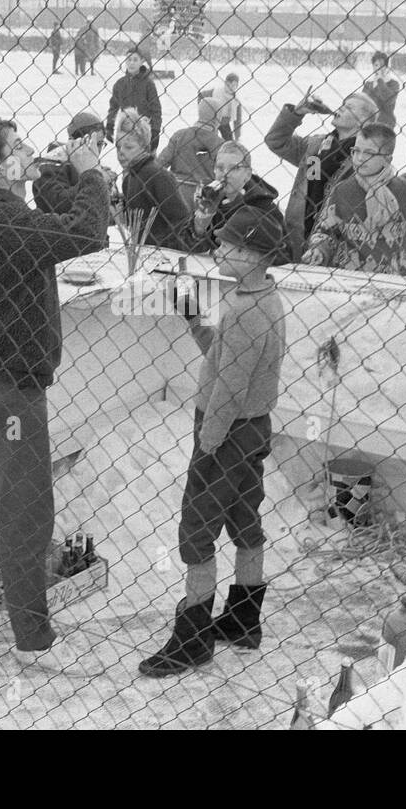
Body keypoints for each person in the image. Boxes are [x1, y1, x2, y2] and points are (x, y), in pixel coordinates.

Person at [0, 114, 111, 676]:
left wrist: (66, 172)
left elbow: (60, 220)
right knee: (27, 510)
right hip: (11, 388)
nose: (27, 150)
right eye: (16, 147)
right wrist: (92, 174)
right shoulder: (5, 222)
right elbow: (86, 233)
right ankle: (31, 636)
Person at [139, 204, 288, 676]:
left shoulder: (245, 311)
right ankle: (244, 619)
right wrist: (193, 317)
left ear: (252, 255)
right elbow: (223, 359)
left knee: (197, 528)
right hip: (252, 429)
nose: (218, 248)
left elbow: (228, 385)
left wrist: (208, 438)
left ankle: (193, 636)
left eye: (227, 244)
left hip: (225, 431)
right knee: (246, 518)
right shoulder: (263, 299)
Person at [264, 88, 379, 261]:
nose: (340, 108)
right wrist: (296, 113)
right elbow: (276, 141)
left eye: (348, 108)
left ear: (363, 121)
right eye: (341, 105)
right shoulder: (316, 146)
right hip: (298, 235)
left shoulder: (365, 159)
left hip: (335, 242)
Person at [302, 123, 406, 276]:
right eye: (356, 151)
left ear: (387, 159)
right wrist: (320, 250)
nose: (360, 158)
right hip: (347, 279)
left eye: (369, 153)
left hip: (395, 281)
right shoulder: (342, 191)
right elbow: (325, 232)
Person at [186, 141, 289, 264]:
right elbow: (185, 247)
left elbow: (285, 255)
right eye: (220, 168)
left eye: (234, 168)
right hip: (210, 276)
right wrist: (200, 225)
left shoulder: (264, 207)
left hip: (245, 279)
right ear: (214, 170)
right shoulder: (209, 198)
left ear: (247, 174)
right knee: (180, 283)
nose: (225, 174)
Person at [114, 110, 191, 250]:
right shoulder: (129, 178)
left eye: (129, 147)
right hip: (140, 249)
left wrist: (160, 244)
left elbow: (181, 218)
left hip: (164, 252)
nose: (121, 152)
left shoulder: (158, 175)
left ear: (145, 147)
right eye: (118, 146)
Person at [33, 111, 108, 216]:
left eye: (100, 144)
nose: (96, 150)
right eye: (92, 143)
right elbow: (58, 203)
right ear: (75, 141)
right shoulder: (51, 164)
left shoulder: (94, 165)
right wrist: (96, 181)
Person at [157, 96, 224, 199]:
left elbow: (160, 164)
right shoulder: (220, 144)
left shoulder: (180, 135)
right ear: (218, 118)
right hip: (204, 196)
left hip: (175, 192)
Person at [106, 49, 162, 151]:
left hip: (144, 132)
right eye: (129, 59)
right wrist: (110, 125)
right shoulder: (120, 84)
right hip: (125, 132)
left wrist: (155, 131)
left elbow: (156, 110)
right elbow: (113, 108)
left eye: (135, 60)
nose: (131, 63)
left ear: (142, 62)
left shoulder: (148, 84)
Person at [361, 52, 401, 131]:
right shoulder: (368, 83)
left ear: (386, 67)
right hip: (368, 124)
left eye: (382, 65)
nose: (378, 68)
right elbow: (362, 103)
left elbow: (388, 100)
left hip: (385, 125)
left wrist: (380, 80)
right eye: (376, 65)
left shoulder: (393, 83)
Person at [199, 72, 243, 141]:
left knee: (229, 142)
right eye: (228, 85)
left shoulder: (236, 101)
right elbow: (201, 95)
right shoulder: (216, 92)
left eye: (234, 85)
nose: (231, 87)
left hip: (224, 123)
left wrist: (237, 136)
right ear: (225, 83)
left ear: (237, 85)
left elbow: (237, 120)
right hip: (212, 121)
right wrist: (203, 113)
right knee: (210, 141)